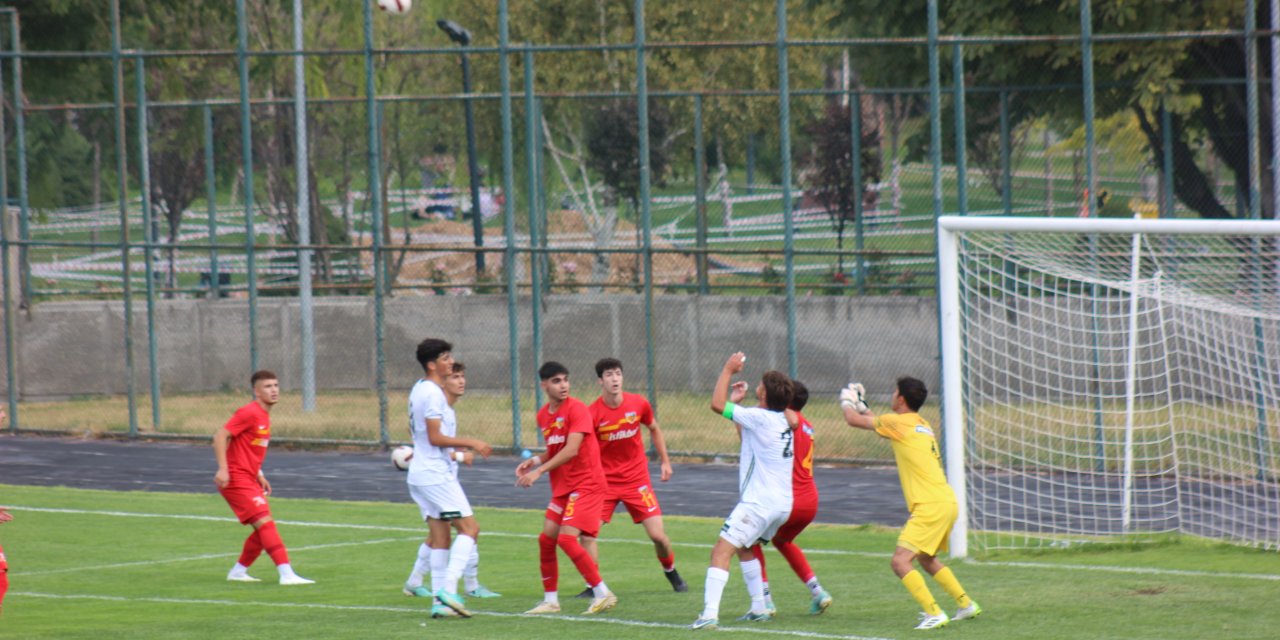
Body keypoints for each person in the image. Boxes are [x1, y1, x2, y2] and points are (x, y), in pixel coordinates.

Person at [839, 377, 981, 631]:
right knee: (926, 558)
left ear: (901, 398)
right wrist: (862, 405)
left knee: (900, 562)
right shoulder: (920, 424)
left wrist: (847, 401)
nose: (893, 395)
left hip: (929, 505)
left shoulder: (897, 423)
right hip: (946, 501)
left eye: (895, 392)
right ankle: (965, 604)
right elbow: (880, 424)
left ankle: (934, 613)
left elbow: (852, 421)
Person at [691, 353, 795, 631]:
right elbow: (747, 436)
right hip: (781, 505)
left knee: (720, 551)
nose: (757, 387)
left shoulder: (760, 417)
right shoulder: (781, 420)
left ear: (764, 394)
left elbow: (715, 405)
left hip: (759, 503)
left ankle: (709, 615)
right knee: (746, 547)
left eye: (761, 385)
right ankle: (759, 607)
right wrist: (735, 406)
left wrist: (728, 370)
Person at [515, 361, 618, 616]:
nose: (563, 385)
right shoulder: (543, 415)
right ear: (544, 385)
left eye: (565, 380)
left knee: (566, 538)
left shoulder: (578, 409)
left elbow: (572, 449)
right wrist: (535, 460)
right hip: (565, 486)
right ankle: (551, 600)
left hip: (587, 483)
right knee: (546, 539)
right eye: (556, 381)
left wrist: (539, 472)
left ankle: (603, 593)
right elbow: (556, 448)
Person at [401, 359, 501, 612]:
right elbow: (435, 439)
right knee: (470, 529)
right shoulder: (437, 401)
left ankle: (438, 602)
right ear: (441, 376)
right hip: (435, 476)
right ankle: (449, 588)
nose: (460, 380)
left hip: (423, 476)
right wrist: (467, 448)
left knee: (440, 537)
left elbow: (423, 436)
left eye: (461, 376)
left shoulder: (422, 390)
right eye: (454, 375)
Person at [580, 357, 686, 595]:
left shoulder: (638, 404)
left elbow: (654, 429)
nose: (614, 378)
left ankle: (671, 571)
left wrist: (666, 462)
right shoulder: (592, 413)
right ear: (600, 381)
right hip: (604, 484)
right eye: (608, 375)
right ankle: (593, 586)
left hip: (637, 481)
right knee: (587, 534)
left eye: (617, 373)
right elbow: (584, 449)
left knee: (658, 536)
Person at [213, 370, 314, 586]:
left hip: (248, 478)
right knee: (266, 525)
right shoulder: (249, 412)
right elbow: (221, 435)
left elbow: (248, 448)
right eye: (268, 386)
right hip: (236, 479)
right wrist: (223, 469)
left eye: (276, 385)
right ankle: (286, 574)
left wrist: (259, 473)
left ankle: (238, 572)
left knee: (263, 530)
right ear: (256, 392)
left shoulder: (263, 416)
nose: (274, 390)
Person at [748, 380, 832, 616]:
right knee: (782, 541)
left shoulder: (784, 422)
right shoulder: (807, 425)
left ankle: (765, 601)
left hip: (789, 498)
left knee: (750, 542)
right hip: (810, 500)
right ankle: (818, 591)